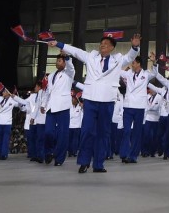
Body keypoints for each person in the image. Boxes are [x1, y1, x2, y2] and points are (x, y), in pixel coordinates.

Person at [47, 32, 141, 174]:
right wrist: (58, 44)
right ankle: (84, 162)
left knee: (103, 134)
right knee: (86, 132)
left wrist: (135, 46)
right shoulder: (91, 56)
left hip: (107, 101)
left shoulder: (118, 59)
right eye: (101, 43)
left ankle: (98, 164)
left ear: (111, 48)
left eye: (106, 44)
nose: (102, 45)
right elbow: (76, 51)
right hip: (90, 99)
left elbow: (130, 57)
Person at [40, 52, 75, 166]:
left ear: (64, 62)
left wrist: (68, 57)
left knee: (62, 134)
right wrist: (43, 104)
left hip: (63, 106)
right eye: (57, 60)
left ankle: (59, 159)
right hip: (51, 106)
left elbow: (71, 67)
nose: (57, 62)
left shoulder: (69, 73)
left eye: (60, 61)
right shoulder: (50, 76)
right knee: (48, 132)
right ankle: (49, 153)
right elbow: (47, 92)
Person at [119, 54, 153, 163]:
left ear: (138, 63)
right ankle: (124, 154)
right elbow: (117, 70)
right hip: (128, 106)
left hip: (139, 106)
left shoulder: (146, 74)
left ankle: (133, 156)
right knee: (126, 131)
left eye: (133, 62)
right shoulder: (128, 73)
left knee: (137, 132)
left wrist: (154, 62)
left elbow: (155, 73)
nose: (131, 64)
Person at [0, 85, 17, 159]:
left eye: (5, 91)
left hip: (7, 122)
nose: (3, 92)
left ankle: (4, 154)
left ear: (8, 93)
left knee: (5, 139)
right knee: (0, 139)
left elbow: (20, 104)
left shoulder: (12, 100)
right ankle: (0, 155)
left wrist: (16, 96)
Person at [68, 91, 84, 158]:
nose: (73, 100)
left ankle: (74, 152)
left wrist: (82, 107)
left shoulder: (79, 107)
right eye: (72, 99)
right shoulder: (69, 106)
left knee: (75, 140)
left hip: (77, 126)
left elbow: (82, 115)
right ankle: (70, 152)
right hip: (70, 126)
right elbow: (70, 115)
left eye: (74, 99)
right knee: (69, 140)